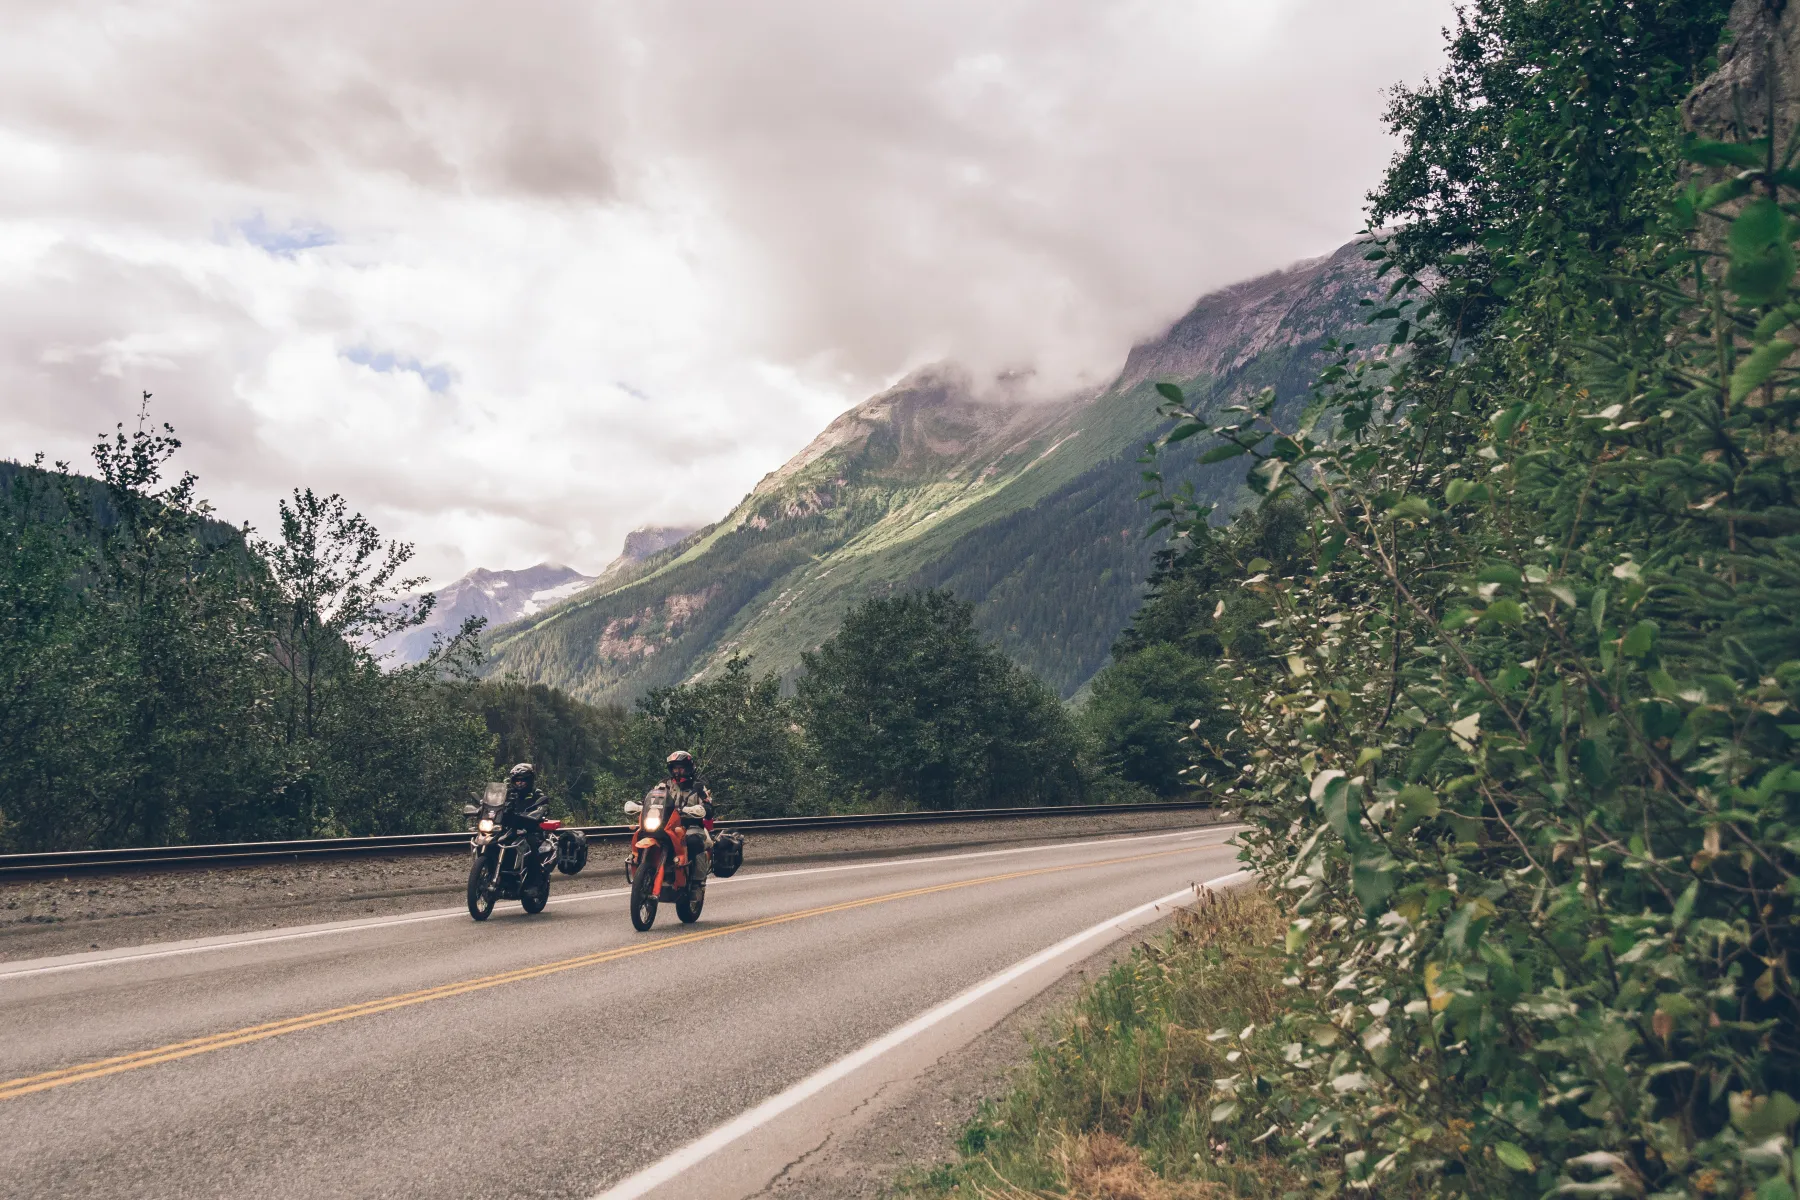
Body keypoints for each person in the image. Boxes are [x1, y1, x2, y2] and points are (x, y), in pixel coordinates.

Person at [631, 750, 715, 876]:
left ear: (689, 768)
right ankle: (641, 867)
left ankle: (697, 882)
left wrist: (702, 809)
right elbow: (650, 799)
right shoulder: (663, 784)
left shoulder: (698, 786)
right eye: (675, 768)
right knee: (641, 833)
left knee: (694, 842)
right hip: (666, 825)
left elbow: (708, 807)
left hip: (690, 825)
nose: (677, 771)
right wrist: (640, 804)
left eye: (681, 768)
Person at [502, 762, 555, 867]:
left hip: (530, 828)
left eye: (523, 780)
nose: (520, 783)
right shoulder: (508, 793)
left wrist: (540, 810)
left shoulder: (536, 793)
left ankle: (536, 878)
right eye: (517, 781)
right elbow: (496, 803)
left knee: (531, 844)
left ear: (529, 780)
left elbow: (544, 804)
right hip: (510, 828)